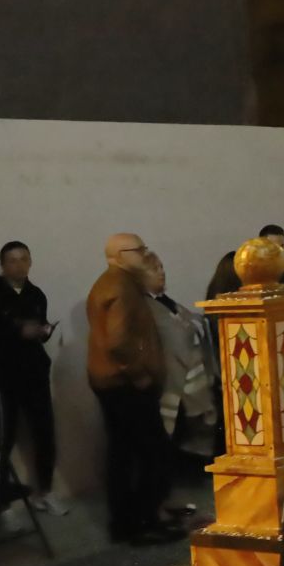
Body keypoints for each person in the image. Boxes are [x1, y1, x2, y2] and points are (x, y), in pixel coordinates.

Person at [86, 233, 181, 545]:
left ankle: (127, 523)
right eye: (139, 250)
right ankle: (144, 521)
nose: (144, 254)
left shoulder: (113, 283)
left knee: (124, 455)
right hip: (126, 385)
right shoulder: (120, 287)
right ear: (120, 255)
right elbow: (119, 342)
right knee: (152, 454)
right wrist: (140, 375)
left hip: (113, 383)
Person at [0, 241, 62, 514]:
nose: (18, 265)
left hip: (35, 375)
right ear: (3, 265)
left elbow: (35, 331)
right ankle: (1, 504)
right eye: (12, 260)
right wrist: (16, 332)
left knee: (45, 434)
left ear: (30, 262)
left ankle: (45, 491)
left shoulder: (36, 294)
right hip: (2, 379)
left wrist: (42, 332)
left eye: (23, 259)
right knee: (2, 440)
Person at [143, 253, 219, 464]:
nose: (162, 272)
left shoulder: (166, 302)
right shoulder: (146, 305)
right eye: (155, 269)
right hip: (171, 377)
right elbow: (179, 336)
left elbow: (195, 326)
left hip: (189, 372)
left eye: (161, 267)